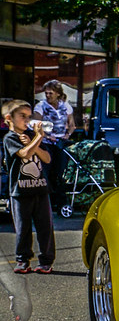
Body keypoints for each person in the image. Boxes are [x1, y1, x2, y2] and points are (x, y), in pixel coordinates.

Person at [2, 99, 55, 274]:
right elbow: (24, 154)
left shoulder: (32, 136)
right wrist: (36, 139)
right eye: (22, 116)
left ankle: (46, 261)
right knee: (23, 229)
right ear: (9, 118)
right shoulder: (9, 138)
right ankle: (23, 260)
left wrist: (36, 139)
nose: (27, 120)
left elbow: (47, 158)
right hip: (20, 192)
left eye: (29, 116)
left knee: (45, 228)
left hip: (40, 190)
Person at [33, 79, 75, 211]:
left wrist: (67, 135)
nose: (48, 96)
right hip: (46, 142)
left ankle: (60, 201)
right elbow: (35, 124)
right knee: (46, 171)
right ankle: (47, 202)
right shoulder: (41, 106)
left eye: (50, 93)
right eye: (46, 93)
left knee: (60, 171)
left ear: (57, 93)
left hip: (60, 142)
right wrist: (46, 136)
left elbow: (72, 124)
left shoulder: (66, 106)